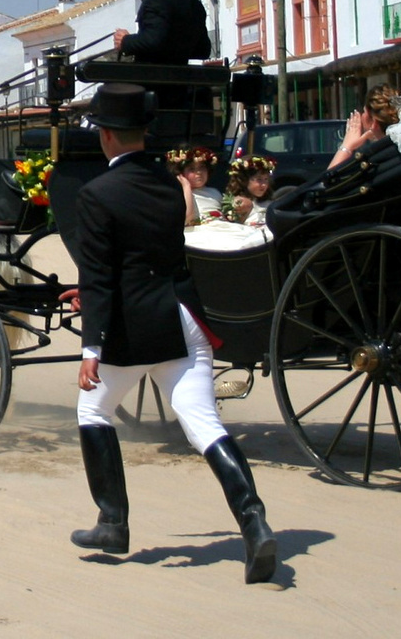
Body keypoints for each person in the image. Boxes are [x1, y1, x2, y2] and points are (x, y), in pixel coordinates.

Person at [67, 83, 278, 585]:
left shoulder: (96, 194)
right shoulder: (169, 184)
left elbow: (101, 277)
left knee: (93, 410)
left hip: (134, 325)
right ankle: (254, 522)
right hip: (183, 316)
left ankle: (112, 523)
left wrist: (91, 348)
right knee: (203, 424)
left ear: (108, 136)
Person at [328, 84, 401, 169]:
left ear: (374, 123)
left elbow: (328, 180)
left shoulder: (372, 162)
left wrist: (347, 146)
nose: (361, 115)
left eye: (364, 112)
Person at [166, 145, 222, 226]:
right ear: (181, 173)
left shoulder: (214, 192)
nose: (199, 172)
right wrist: (186, 186)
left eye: (202, 167)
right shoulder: (179, 194)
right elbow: (187, 219)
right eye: (191, 169)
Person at [224, 155, 275, 227]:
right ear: (244, 181)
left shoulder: (270, 204)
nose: (264, 185)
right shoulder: (237, 204)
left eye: (266, 179)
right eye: (259, 180)